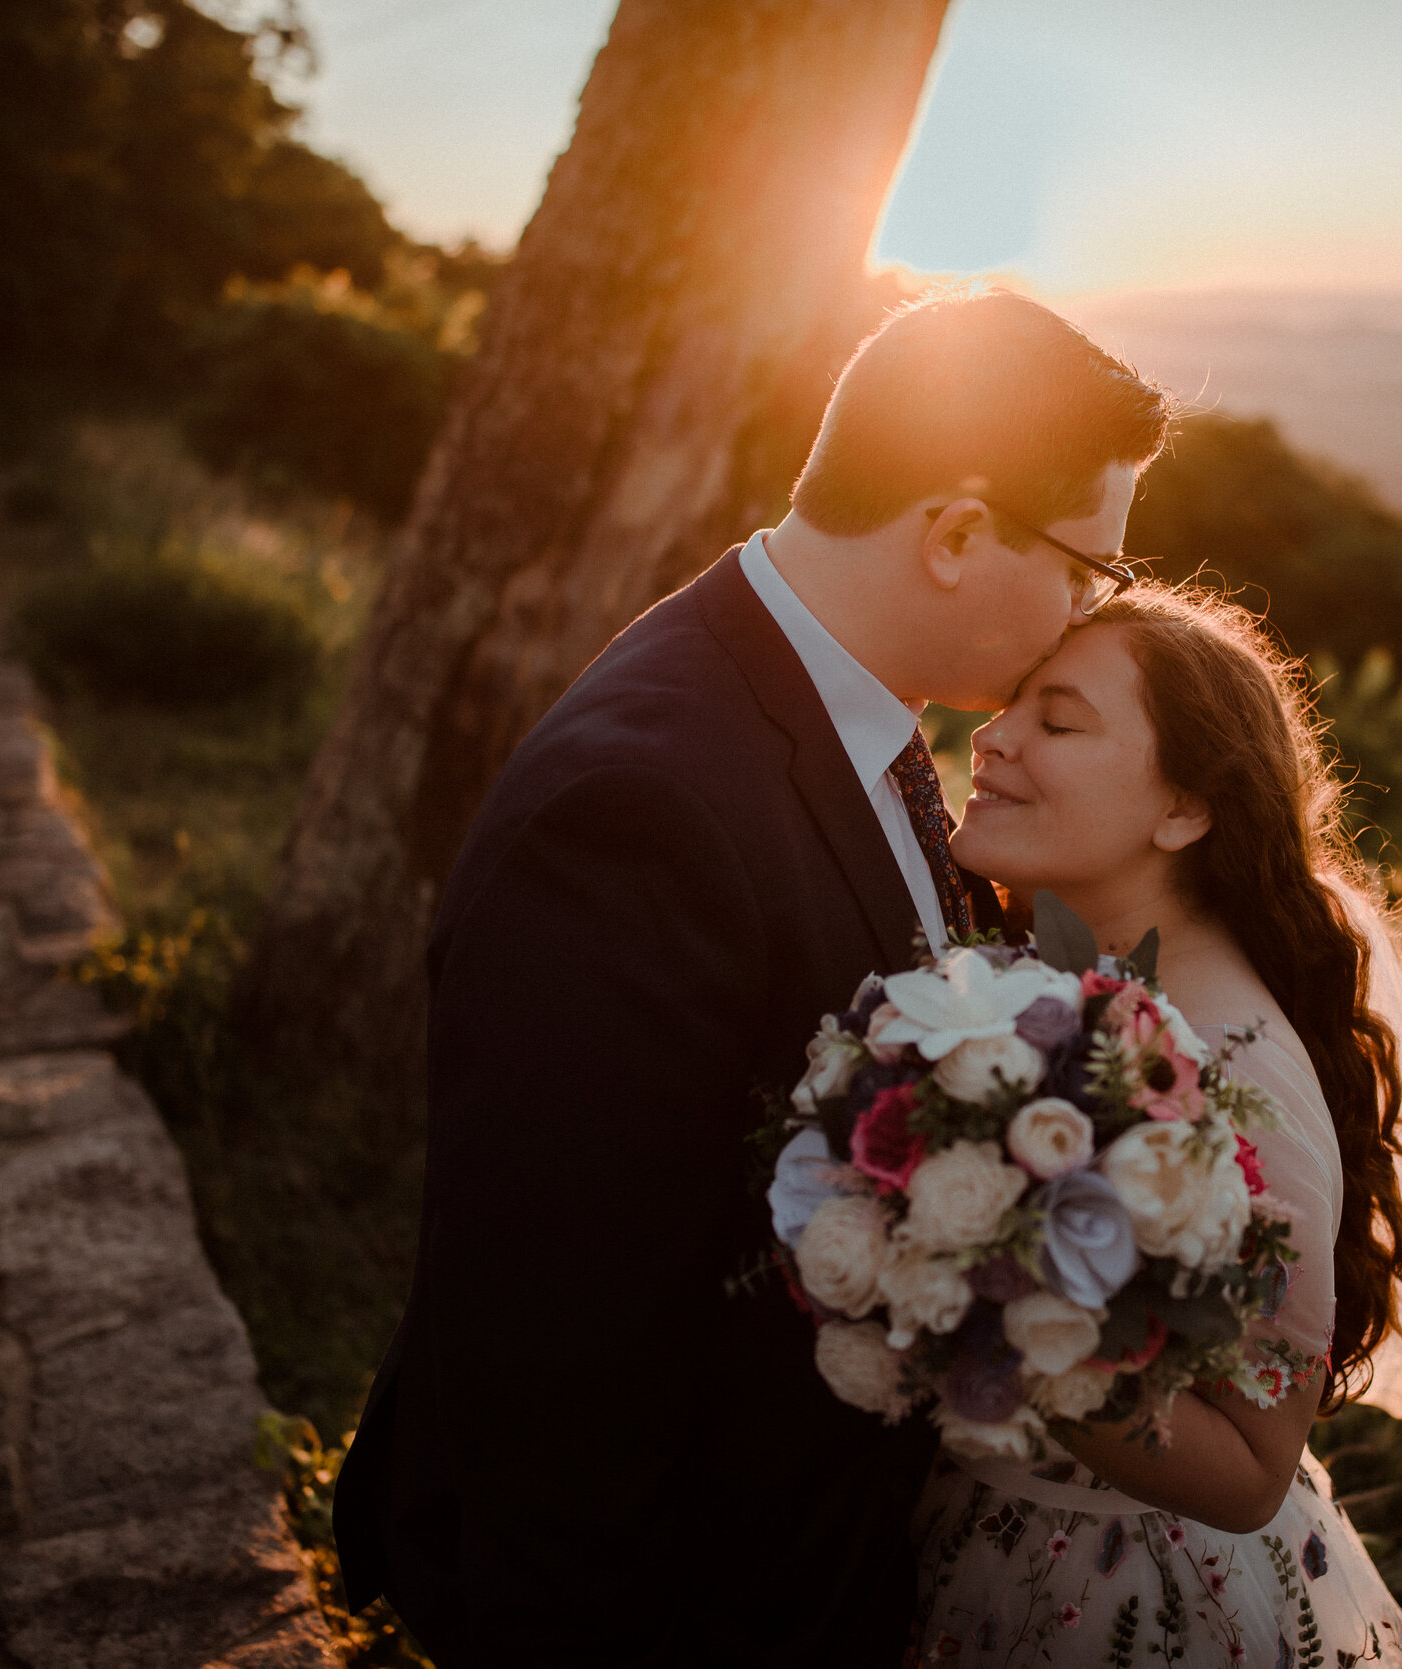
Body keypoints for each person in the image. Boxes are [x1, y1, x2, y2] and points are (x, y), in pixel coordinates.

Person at [332, 289, 1177, 1664]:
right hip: (686, 1594)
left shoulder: (855, 719)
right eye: (1089, 569)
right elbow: (557, 1335)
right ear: (958, 533)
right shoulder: (638, 806)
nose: (1089, 613)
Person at [912, 584, 1402, 1666]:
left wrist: (978, 1314)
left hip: (1124, 1602)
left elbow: (1249, 1468)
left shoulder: (1234, 1064)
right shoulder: (1061, 975)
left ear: (1184, 807)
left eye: (1056, 721)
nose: (989, 739)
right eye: (1008, 708)